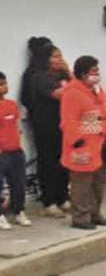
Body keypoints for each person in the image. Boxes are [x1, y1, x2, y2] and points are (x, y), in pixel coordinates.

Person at [60, 56, 106, 230]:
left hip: (102, 143)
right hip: (83, 145)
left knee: (99, 182)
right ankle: (80, 217)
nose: (97, 74)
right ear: (83, 73)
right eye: (94, 71)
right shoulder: (72, 92)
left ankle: (95, 213)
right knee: (81, 184)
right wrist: (76, 140)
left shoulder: (98, 91)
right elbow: (68, 120)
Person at [22, 39, 71, 217]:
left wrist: (69, 73)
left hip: (63, 123)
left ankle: (62, 197)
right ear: (46, 59)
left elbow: (79, 90)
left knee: (63, 161)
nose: (60, 59)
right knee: (48, 162)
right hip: (46, 124)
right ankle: (49, 201)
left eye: (61, 56)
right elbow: (60, 95)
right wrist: (73, 85)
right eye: (56, 56)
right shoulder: (39, 76)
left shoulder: (63, 76)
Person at [0, 71, 31, 229]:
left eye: (5, 83)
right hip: (1, 153)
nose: (4, 87)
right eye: (0, 84)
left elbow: (16, 126)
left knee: (19, 184)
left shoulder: (11, 105)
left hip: (15, 150)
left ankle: (19, 211)